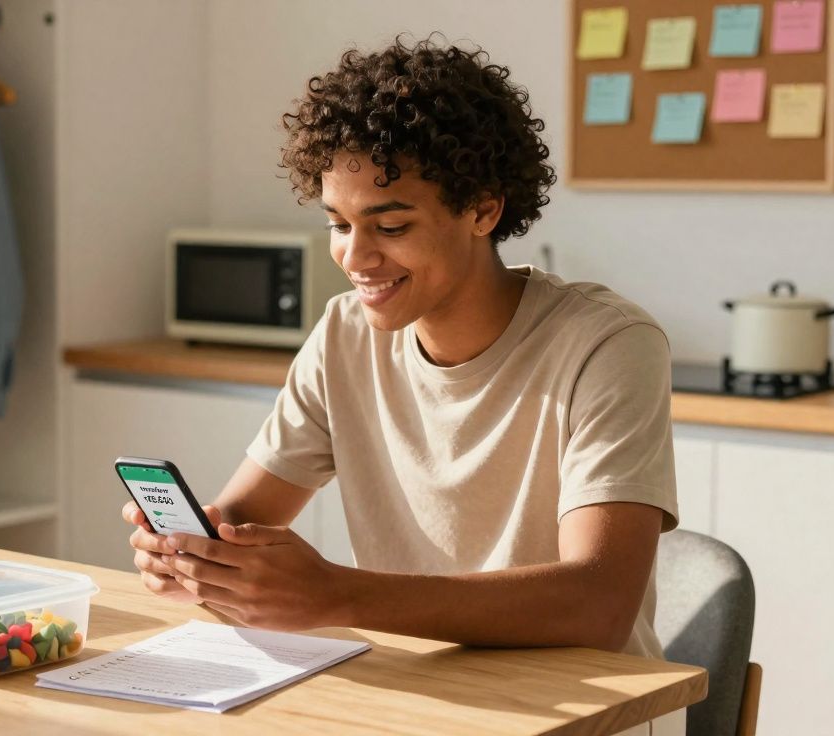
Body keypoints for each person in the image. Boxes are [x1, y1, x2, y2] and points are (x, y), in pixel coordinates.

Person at [123, 36, 682, 735]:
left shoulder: (606, 345)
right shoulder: (343, 335)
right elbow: (240, 515)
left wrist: (338, 594)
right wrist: (193, 556)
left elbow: (597, 604)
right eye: (337, 224)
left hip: (582, 714)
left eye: (390, 224)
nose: (355, 258)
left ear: (483, 208)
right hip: (412, 703)